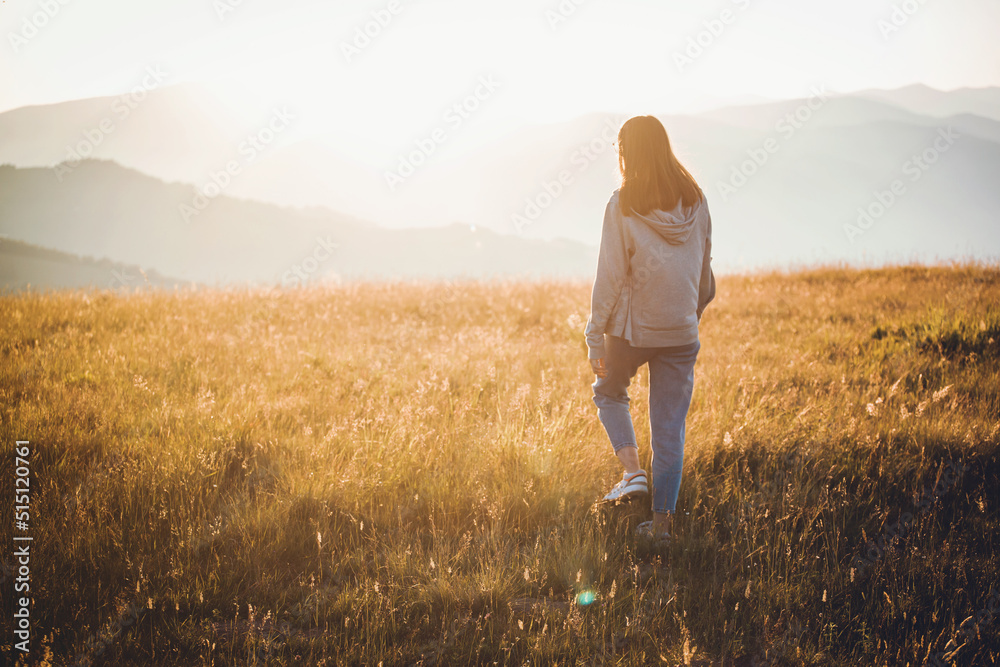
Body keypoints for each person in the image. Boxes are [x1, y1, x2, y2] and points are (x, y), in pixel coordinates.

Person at [585, 115, 715, 543]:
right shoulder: (696, 201)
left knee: (608, 391)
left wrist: (593, 336)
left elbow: (608, 277)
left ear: (627, 153)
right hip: (681, 333)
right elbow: (704, 274)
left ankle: (633, 474)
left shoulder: (622, 203)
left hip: (631, 332)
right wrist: (688, 316)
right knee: (669, 427)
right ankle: (662, 528)